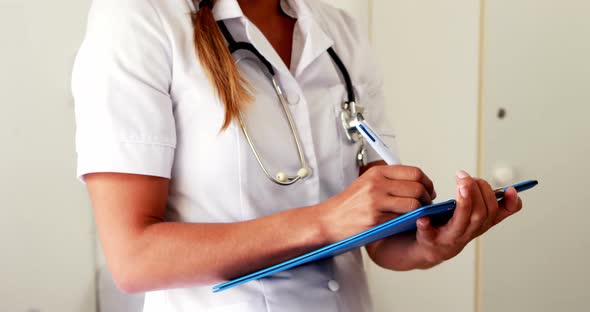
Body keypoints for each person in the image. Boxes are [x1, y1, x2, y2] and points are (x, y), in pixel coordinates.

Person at [72, 0, 524, 311]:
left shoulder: (336, 29)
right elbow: (134, 257)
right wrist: (324, 221)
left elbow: (379, 237)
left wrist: (427, 242)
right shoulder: (139, 19)